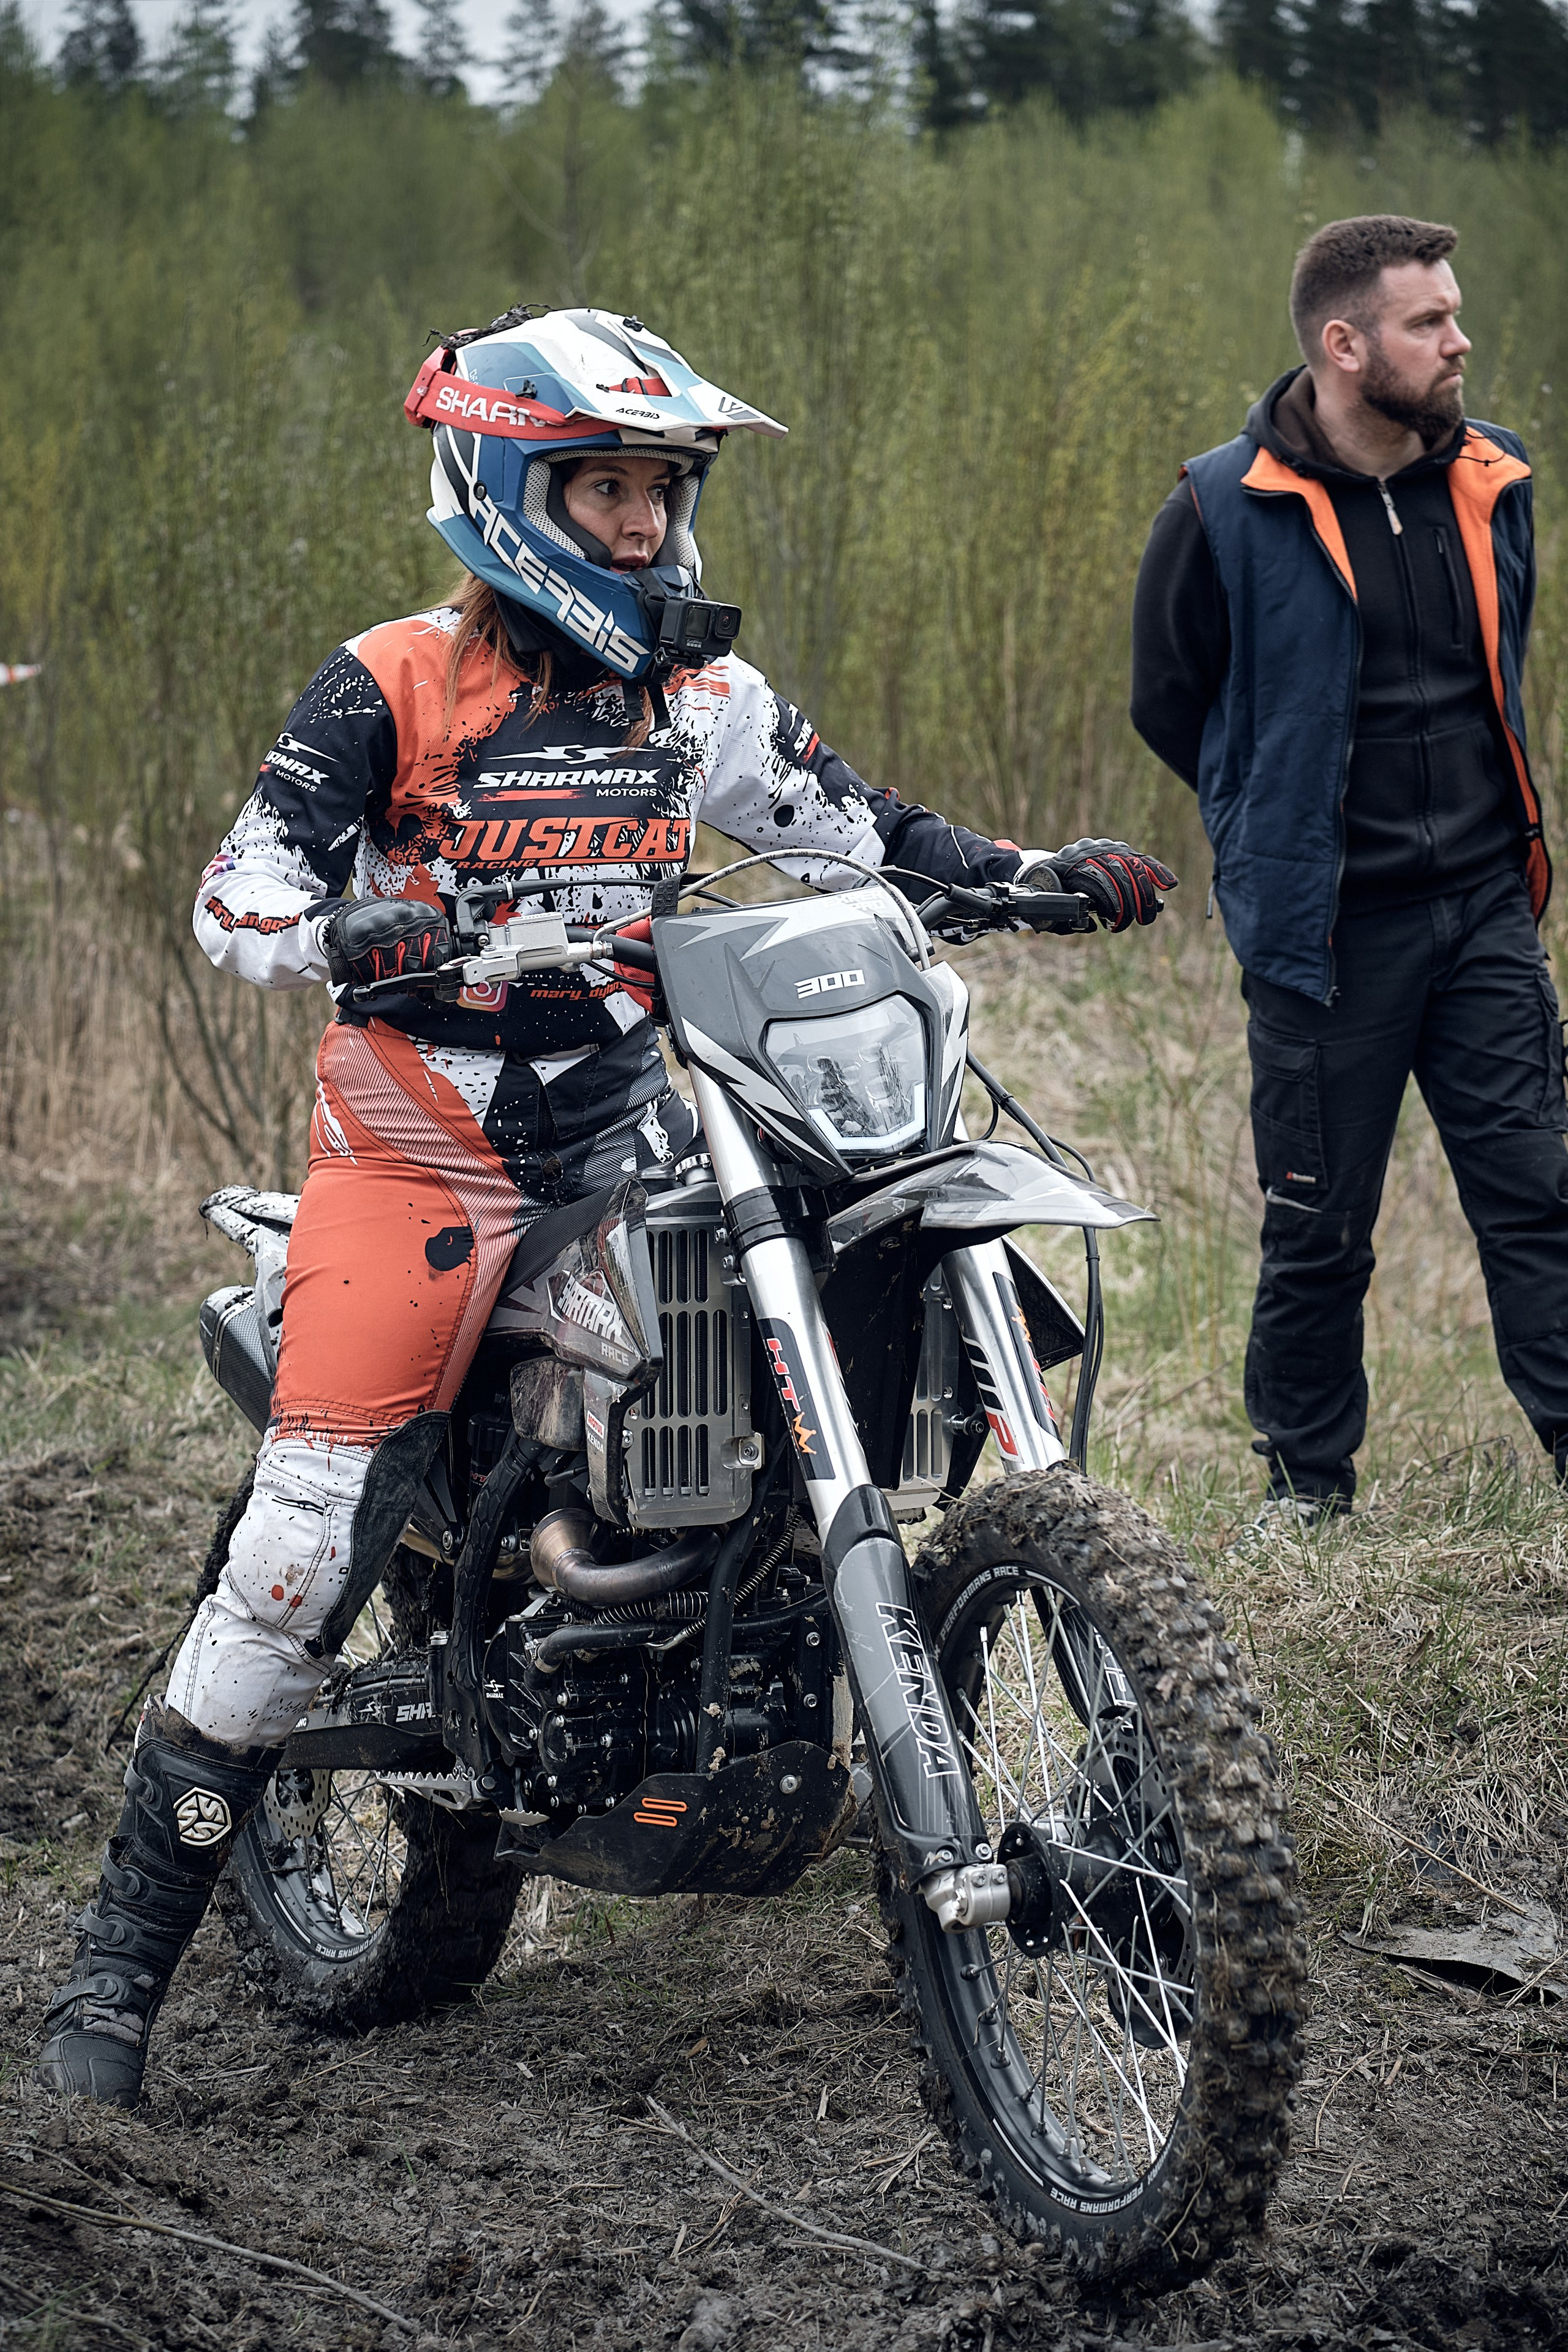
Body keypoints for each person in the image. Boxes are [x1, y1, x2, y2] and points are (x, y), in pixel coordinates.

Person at [36, 302, 1177, 2106]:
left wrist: (1031, 877)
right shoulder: (390, 682)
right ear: (507, 488)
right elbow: (234, 895)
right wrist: (341, 928)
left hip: (636, 1124)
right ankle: (111, 1980)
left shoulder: (696, 700)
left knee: (837, 1269)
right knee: (305, 1539)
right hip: (418, 1144)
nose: (641, 525)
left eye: (659, 489)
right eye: (605, 488)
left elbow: (860, 829)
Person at [1132, 214, 1565, 1526]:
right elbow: (1172, 700)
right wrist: (1263, 827)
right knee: (1316, 1228)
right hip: (1324, 937)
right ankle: (1304, 1489)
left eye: (1451, 314)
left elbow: (1501, 666)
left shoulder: (1495, 479)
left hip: (1484, 906)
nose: (1458, 340)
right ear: (1342, 343)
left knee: (1540, 1198)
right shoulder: (1219, 505)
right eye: (1427, 321)